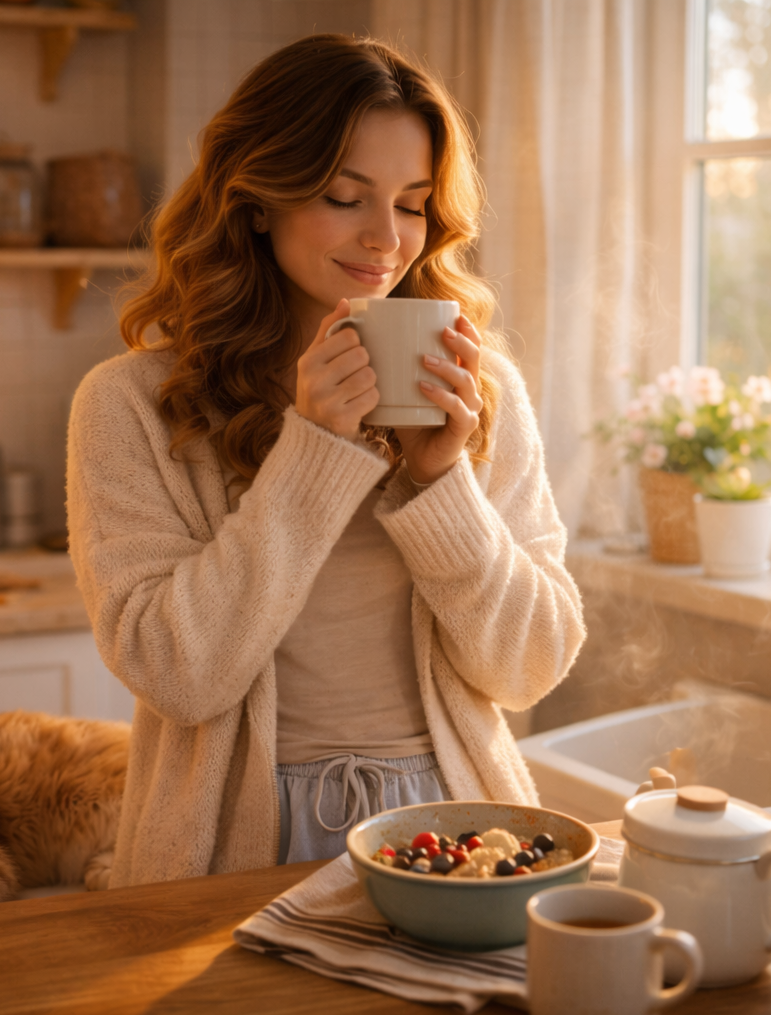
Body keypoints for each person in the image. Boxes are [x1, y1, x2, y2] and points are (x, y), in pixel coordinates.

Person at [67, 34, 585, 887]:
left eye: (413, 204)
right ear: (257, 198)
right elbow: (177, 676)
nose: (386, 239)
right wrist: (311, 459)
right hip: (236, 838)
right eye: (345, 195)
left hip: (452, 822)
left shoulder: (475, 387)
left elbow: (528, 669)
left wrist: (440, 483)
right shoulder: (128, 404)